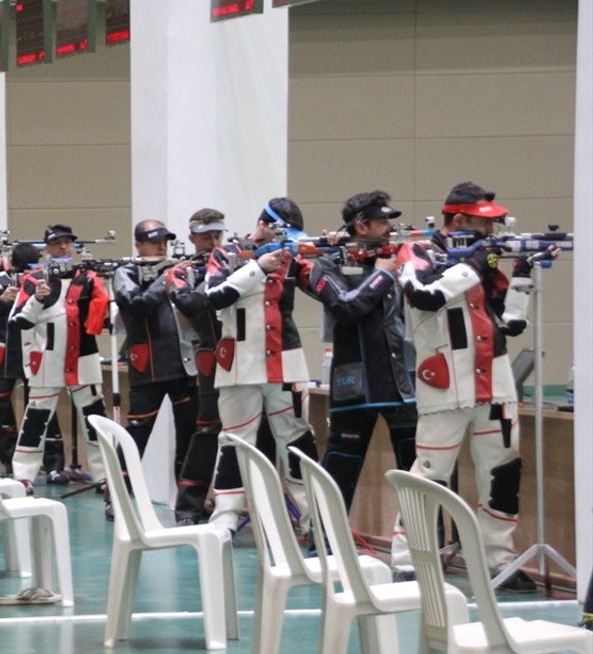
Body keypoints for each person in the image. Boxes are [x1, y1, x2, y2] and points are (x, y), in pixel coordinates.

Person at [390, 182, 539, 590]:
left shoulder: (482, 260)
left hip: (496, 381)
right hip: (445, 382)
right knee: (429, 474)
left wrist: (522, 274)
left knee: (502, 472)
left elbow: (511, 322)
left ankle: (497, 560)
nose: (489, 232)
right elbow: (424, 295)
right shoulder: (417, 251)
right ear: (458, 220)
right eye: (482, 223)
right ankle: (406, 558)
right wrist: (476, 264)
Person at [203, 198, 319, 534]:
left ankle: (314, 518)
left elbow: (323, 287)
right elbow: (213, 296)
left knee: (297, 440)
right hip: (239, 361)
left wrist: (328, 252)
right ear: (263, 224)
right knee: (234, 440)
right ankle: (225, 516)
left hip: (286, 361)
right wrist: (257, 267)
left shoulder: (292, 256)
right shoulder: (226, 254)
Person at [307, 191, 418, 513]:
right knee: (340, 467)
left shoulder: (399, 256)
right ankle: (325, 536)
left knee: (418, 471)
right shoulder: (328, 264)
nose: (388, 228)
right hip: (354, 383)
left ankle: (425, 540)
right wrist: (382, 274)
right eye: (382, 222)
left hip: (402, 382)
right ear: (361, 226)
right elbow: (346, 309)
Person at [8, 223, 110, 493]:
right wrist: (37, 300)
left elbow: (103, 318)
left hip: (84, 358)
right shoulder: (33, 279)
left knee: (94, 421)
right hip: (47, 360)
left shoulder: (89, 277)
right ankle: (23, 475)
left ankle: (104, 476)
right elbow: (18, 321)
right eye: (57, 243)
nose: (63, 247)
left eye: (67, 242)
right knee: (35, 422)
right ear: (47, 248)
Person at [112, 220, 198, 509]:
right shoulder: (125, 272)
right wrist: (167, 279)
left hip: (184, 365)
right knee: (137, 434)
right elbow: (138, 306)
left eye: (164, 241)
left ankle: (187, 502)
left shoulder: (177, 270)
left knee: (188, 435)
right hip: (147, 367)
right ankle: (117, 497)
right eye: (153, 241)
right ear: (138, 245)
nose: (161, 246)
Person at [0, 241, 63, 474]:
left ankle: (54, 465)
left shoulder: (45, 281)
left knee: (42, 406)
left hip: (34, 351)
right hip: (4, 352)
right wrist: (2, 300)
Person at [166, 208, 229, 524]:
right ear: (191, 238)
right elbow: (189, 303)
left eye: (217, 235)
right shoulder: (180, 271)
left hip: (244, 355)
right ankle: (188, 507)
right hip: (209, 356)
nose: (213, 242)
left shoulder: (234, 263)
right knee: (206, 430)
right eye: (206, 236)